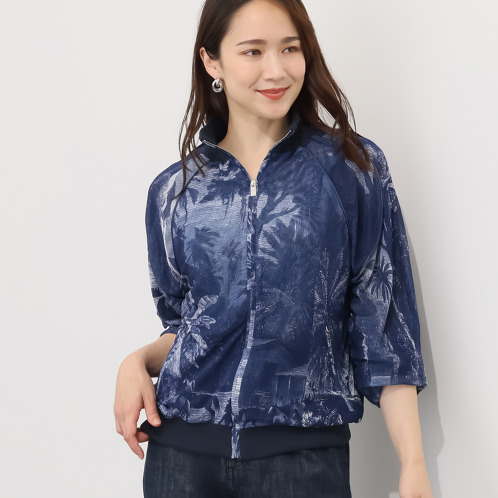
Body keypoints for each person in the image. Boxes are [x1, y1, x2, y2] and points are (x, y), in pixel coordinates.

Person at [114, 0, 433, 496]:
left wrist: (413, 464)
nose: (276, 70)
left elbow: (385, 327)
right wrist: (137, 361)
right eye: (253, 51)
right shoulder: (175, 191)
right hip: (180, 457)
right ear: (212, 62)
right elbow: (190, 324)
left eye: (290, 48)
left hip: (302, 460)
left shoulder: (351, 169)